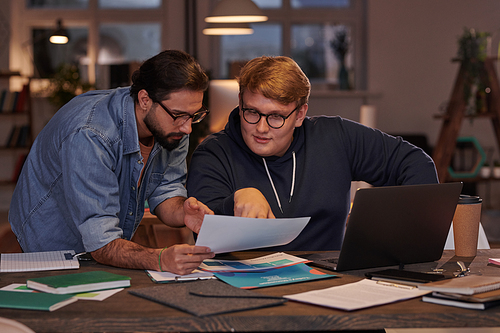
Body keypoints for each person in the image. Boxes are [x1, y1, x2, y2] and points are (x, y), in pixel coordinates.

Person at [186, 55, 439, 251]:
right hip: (244, 289)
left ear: (299, 114)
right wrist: (236, 200)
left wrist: (398, 232)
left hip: (330, 286)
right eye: (252, 112)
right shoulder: (213, 153)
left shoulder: (336, 136)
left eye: (276, 116)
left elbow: (415, 163)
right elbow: (204, 231)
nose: (261, 128)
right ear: (240, 103)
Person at [9, 50, 215, 274]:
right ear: (145, 100)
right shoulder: (91, 135)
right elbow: (101, 243)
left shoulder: (174, 127)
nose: (188, 128)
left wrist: (183, 212)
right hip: (52, 239)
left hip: (102, 240)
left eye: (195, 115)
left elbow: (165, 189)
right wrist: (159, 259)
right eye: (179, 115)